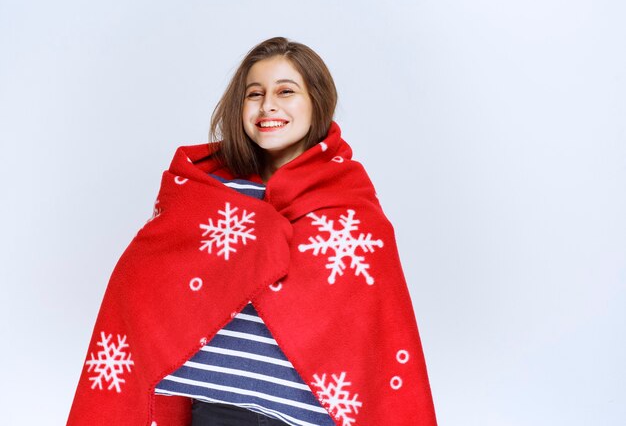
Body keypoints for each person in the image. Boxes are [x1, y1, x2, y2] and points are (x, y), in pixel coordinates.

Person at [67, 37, 437, 426]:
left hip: (307, 416)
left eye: (286, 91)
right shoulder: (205, 189)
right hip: (216, 410)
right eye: (254, 94)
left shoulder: (347, 201)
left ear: (317, 101)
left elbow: (377, 326)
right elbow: (145, 282)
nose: (268, 106)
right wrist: (255, 238)